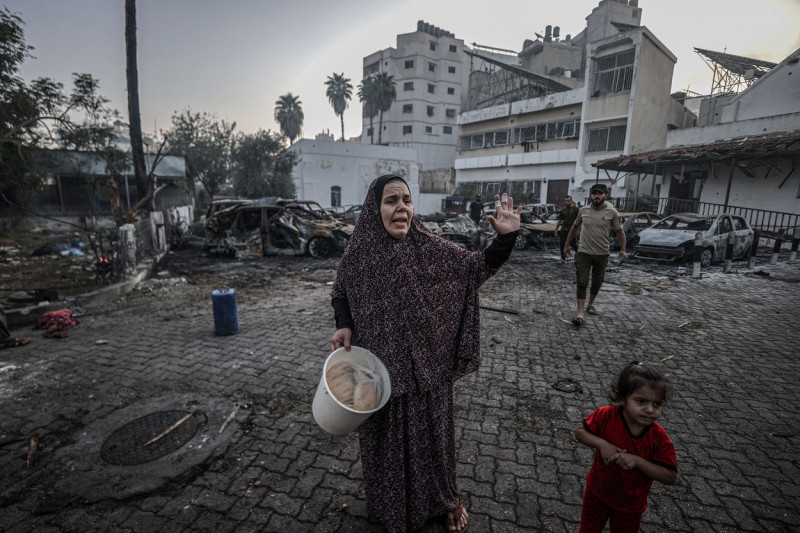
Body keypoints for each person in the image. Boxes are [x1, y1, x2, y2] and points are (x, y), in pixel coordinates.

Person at [329, 175, 521, 533]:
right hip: (380, 374)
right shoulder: (360, 252)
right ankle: (392, 506)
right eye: (391, 200)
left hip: (426, 372)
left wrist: (506, 237)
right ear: (375, 209)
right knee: (384, 444)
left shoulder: (428, 247)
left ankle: (444, 500)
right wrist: (344, 324)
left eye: (406, 199)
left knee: (432, 444)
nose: (401, 207)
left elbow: (474, 268)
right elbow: (341, 290)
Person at [575, 361, 678, 533]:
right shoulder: (605, 415)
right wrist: (602, 444)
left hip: (630, 506)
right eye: (641, 401)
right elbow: (580, 432)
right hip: (597, 493)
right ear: (622, 398)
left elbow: (670, 476)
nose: (650, 410)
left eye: (657, 404)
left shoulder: (658, 437)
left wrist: (638, 461)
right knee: (588, 529)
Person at [563, 183, 627, 326]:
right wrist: (567, 245)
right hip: (583, 252)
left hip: (602, 253)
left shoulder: (612, 213)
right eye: (594, 193)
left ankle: (590, 304)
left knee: (597, 282)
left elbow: (620, 232)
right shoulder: (583, 211)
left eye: (599, 193)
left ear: (605, 195)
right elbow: (574, 228)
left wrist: (623, 250)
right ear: (591, 195)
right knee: (582, 281)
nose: (596, 196)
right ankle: (580, 314)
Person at [554, 195, 579, 264]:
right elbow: (559, 220)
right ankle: (563, 258)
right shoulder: (563, 210)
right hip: (564, 230)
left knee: (574, 244)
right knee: (562, 243)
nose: (567, 202)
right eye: (565, 201)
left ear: (571, 201)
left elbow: (580, 220)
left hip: (572, 230)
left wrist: (578, 230)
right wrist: (556, 229)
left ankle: (579, 257)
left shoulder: (576, 209)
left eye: (568, 201)